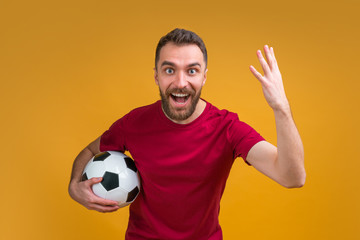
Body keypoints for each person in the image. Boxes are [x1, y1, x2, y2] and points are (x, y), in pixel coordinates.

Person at [68, 28, 305, 240]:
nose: (181, 82)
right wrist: (74, 187)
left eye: (192, 71)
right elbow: (90, 151)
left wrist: (281, 108)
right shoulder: (134, 123)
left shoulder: (227, 128)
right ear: (156, 76)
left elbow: (292, 177)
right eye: (169, 70)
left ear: (204, 76)